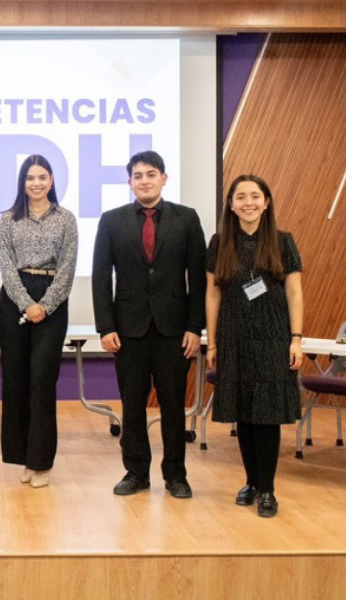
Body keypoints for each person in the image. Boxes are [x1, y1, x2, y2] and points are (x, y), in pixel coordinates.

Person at [92, 150, 206, 499]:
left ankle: (176, 476)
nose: (144, 180)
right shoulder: (112, 221)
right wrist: (105, 326)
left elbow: (198, 278)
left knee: (173, 407)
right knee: (132, 405)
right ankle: (136, 473)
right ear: (130, 182)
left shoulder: (186, 219)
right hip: (128, 330)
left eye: (151, 174)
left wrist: (194, 327)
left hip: (174, 331)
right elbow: (100, 276)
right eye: (138, 175)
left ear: (164, 179)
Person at [206, 174, 303, 518]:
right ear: (231, 205)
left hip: (273, 337)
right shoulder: (219, 243)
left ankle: (268, 490)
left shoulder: (283, 241)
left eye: (254, 196)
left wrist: (296, 338)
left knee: (267, 415)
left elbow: (294, 292)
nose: (248, 202)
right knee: (244, 413)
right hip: (233, 337)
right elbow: (213, 293)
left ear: (266, 202)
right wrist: (213, 342)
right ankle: (250, 481)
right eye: (240, 197)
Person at [0, 155, 78, 489]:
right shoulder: (8, 219)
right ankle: (22, 458)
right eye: (30, 178)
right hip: (15, 298)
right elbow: (4, 264)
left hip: (52, 300)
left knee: (42, 380)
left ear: (52, 180)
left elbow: (69, 267)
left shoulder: (66, 219)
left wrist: (44, 304)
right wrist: (26, 303)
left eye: (42, 177)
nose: (36, 183)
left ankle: (41, 462)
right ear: (22, 182)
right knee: (16, 380)